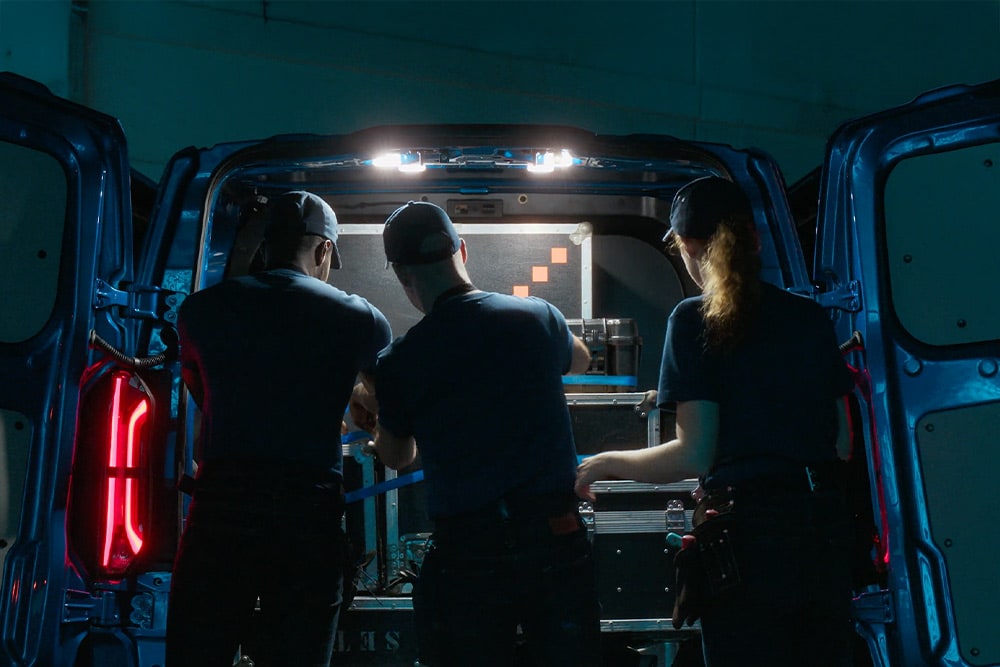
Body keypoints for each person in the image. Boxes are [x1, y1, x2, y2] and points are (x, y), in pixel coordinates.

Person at [575, 176, 856, 667]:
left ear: (686, 246)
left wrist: (602, 463)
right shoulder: (809, 317)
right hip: (822, 539)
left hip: (748, 546)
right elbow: (843, 442)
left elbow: (694, 453)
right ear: (756, 238)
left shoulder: (693, 320)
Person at [352, 201, 602, 667]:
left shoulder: (399, 362)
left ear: (403, 275)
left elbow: (397, 455)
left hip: (468, 555)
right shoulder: (536, 316)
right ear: (461, 250)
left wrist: (378, 417)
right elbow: (582, 359)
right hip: (554, 540)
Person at [166, 190, 392, 667]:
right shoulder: (359, 317)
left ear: (266, 245)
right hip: (306, 513)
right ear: (324, 249)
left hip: (221, 508)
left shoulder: (201, 311)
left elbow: (203, 392)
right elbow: (384, 404)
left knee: (199, 651)